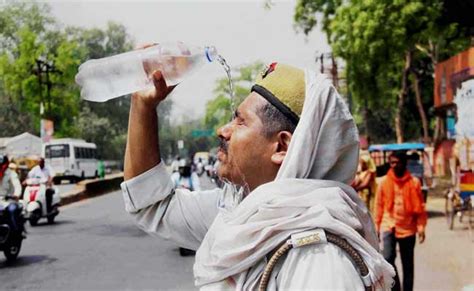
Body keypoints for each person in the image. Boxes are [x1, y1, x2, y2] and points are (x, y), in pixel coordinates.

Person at [121, 62, 394, 289]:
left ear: (282, 146)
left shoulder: (317, 257)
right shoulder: (241, 215)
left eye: (240, 121)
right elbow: (154, 204)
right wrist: (142, 105)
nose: (222, 130)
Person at [375, 151, 427, 291]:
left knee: (408, 265)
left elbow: (421, 208)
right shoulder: (384, 182)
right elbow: (379, 206)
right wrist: (376, 226)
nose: (394, 165)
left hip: (408, 228)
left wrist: (421, 227)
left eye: (398, 162)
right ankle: (395, 288)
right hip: (388, 225)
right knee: (387, 260)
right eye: (392, 162)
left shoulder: (414, 183)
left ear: (404, 163)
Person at [0, 155, 23, 232]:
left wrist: (16, 195)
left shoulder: (11, 174)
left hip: (9, 200)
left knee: (12, 210)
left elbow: (17, 185)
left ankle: (15, 231)